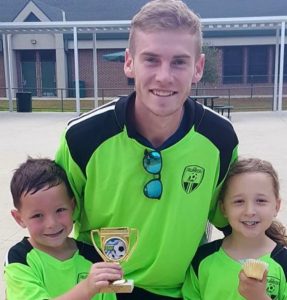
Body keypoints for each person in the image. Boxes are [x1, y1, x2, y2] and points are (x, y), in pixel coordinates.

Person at [55, 0, 239, 298]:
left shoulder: (219, 138)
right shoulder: (83, 137)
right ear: (130, 62)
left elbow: (235, 224)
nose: (164, 76)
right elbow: (51, 222)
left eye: (179, 61)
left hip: (180, 292)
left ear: (198, 67)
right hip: (102, 291)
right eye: (151, 59)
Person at [4, 158, 122, 300]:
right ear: (19, 218)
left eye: (60, 210)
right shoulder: (19, 258)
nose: (51, 224)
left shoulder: (93, 257)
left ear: (72, 206)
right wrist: (86, 289)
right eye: (37, 215)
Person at [182, 158, 287, 300]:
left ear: (276, 206)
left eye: (261, 201)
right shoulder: (202, 260)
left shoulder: (283, 263)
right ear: (224, 208)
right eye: (239, 201)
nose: (250, 211)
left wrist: (260, 297)